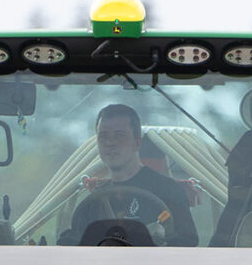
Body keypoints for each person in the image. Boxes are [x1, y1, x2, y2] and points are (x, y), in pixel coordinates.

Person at [68, 103, 200, 246]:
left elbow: (186, 245)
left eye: (119, 135)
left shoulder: (169, 191)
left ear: (137, 143)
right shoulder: (93, 203)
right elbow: (73, 243)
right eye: (103, 136)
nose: (110, 142)